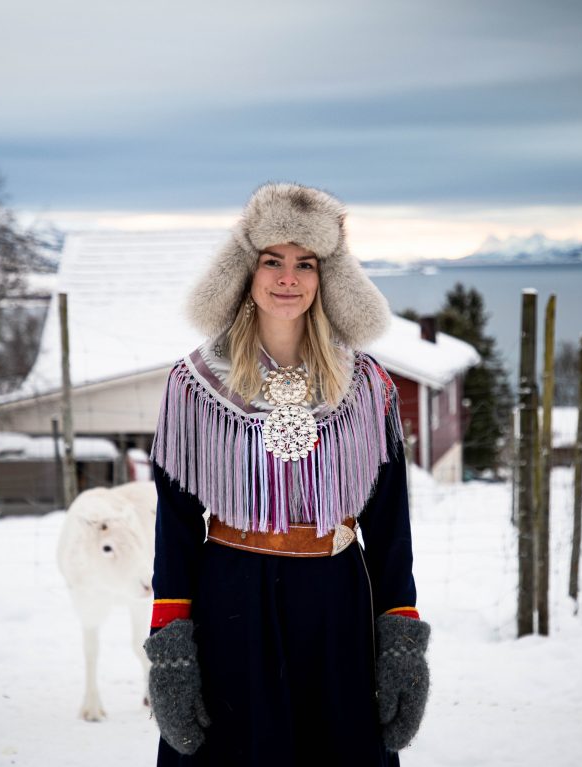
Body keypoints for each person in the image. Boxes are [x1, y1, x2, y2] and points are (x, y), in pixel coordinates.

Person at [144, 183, 430, 766]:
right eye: (272, 260)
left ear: (327, 279)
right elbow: (174, 525)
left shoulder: (367, 386)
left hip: (336, 607)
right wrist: (171, 644)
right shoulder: (195, 384)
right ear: (246, 272)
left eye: (305, 264)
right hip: (231, 603)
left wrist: (401, 637)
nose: (287, 278)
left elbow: (390, 524)